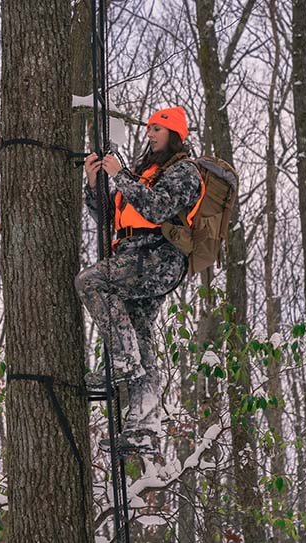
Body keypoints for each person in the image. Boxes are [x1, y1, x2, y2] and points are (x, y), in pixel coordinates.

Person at [75, 106, 202, 455]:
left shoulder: (184, 172)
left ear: (174, 134)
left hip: (157, 258)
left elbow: (158, 209)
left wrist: (121, 176)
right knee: (142, 337)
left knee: (90, 282)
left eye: (157, 129)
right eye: (148, 128)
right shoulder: (143, 171)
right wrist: (93, 181)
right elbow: (108, 213)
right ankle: (142, 431)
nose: (150, 134)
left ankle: (121, 359)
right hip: (133, 255)